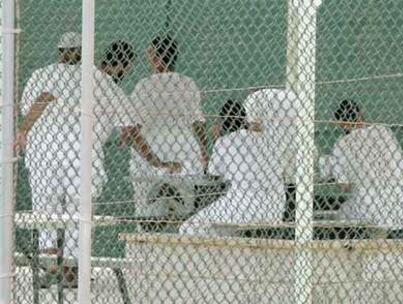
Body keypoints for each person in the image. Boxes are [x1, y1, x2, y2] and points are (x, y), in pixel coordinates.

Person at [16, 33, 179, 286]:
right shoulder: (99, 80)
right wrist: (155, 161)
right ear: (85, 51)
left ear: (60, 51)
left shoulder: (42, 74)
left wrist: (24, 129)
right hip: (80, 155)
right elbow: (131, 127)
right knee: (78, 212)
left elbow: (39, 100)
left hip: (44, 154)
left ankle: (52, 268)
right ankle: (70, 272)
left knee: (46, 211)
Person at [179, 98, 286, 236]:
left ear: (223, 123)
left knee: (189, 228)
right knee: (223, 229)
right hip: (275, 208)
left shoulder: (225, 142)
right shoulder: (269, 141)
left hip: (241, 204)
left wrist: (216, 139)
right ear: (245, 119)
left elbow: (213, 174)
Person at [129, 33, 207, 218]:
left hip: (153, 152)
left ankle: (146, 239)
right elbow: (198, 124)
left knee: (147, 213)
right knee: (184, 212)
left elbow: (133, 127)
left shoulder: (144, 86)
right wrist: (203, 150)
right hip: (184, 153)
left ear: (155, 57)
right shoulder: (188, 84)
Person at [320, 100, 403, 228]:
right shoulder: (382, 131)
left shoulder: (341, 145)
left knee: (339, 215)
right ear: (360, 115)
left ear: (340, 123)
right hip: (400, 200)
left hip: (368, 206)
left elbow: (344, 186)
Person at [244, 89, 301, 222]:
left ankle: (277, 219)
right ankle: (294, 220)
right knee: (293, 186)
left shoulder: (253, 98)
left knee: (275, 186)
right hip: (298, 146)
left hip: (274, 150)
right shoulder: (292, 96)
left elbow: (254, 127)